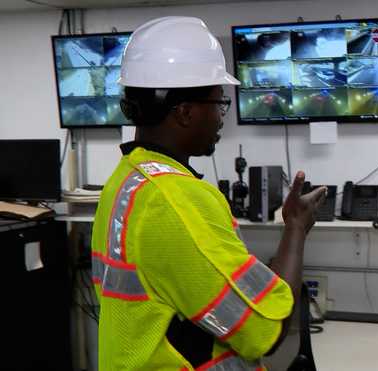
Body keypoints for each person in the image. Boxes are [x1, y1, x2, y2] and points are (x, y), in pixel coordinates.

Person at [90, 16, 326, 370]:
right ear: (185, 112)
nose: (221, 118)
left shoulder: (128, 180)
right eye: (220, 104)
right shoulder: (179, 200)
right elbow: (268, 330)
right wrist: (295, 227)